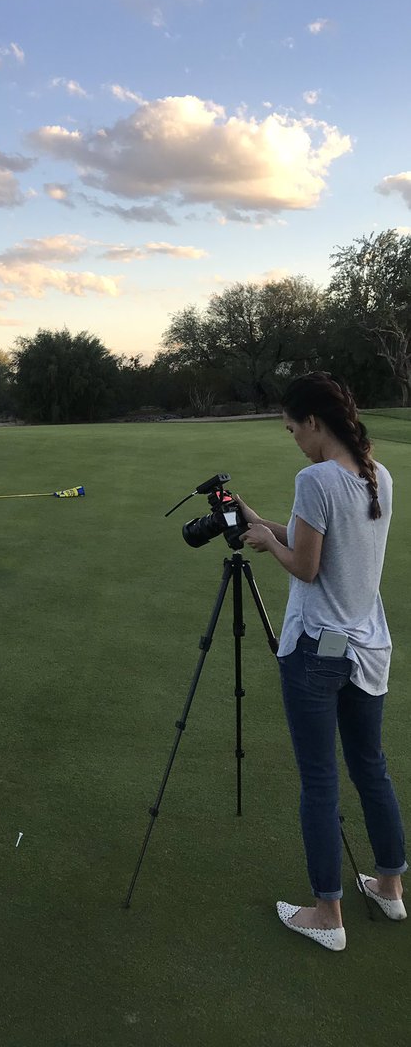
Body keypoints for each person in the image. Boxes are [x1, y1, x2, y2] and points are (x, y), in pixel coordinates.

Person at [239, 372, 406, 951]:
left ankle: (327, 916)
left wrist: (266, 545)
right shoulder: (377, 474)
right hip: (367, 647)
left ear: (314, 422)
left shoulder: (314, 478)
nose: (293, 440)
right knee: (370, 767)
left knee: (319, 779)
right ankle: (389, 887)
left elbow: (305, 568)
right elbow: (323, 548)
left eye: (292, 429)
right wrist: (267, 526)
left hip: (317, 649)